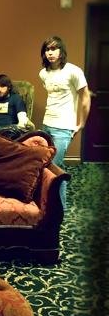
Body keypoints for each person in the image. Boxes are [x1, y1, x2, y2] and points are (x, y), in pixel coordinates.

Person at [39, 35, 91, 208]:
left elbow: (85, 97)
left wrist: (81, 123)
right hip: (46, 124)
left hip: (63, 127)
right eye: (47, 49)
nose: (50, 53)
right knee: (44, 163)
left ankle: (59, 208)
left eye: (54, 49)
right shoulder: (43, 74)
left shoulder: (73, 71)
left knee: (55, 166)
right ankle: (45, 202)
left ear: (61, 51)